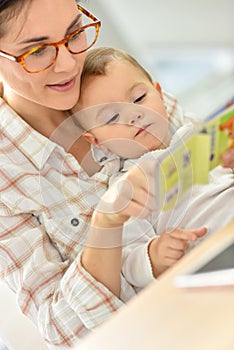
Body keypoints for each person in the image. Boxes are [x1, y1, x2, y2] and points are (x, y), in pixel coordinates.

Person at [0, 1, 167, 349]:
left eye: (75, 31)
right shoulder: (7, 174)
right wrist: (106, 224)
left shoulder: (110, 76)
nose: (69, 63)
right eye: (39, 50)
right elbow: (65, 332)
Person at [72, 47, 234, 288]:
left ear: (159, 94)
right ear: (96, 140)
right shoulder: (124, 189)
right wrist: (154, 255)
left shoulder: (195, 135)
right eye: (112, 118)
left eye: (139, 99)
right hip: (215, 252)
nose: (134, 115)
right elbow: (127, 259)